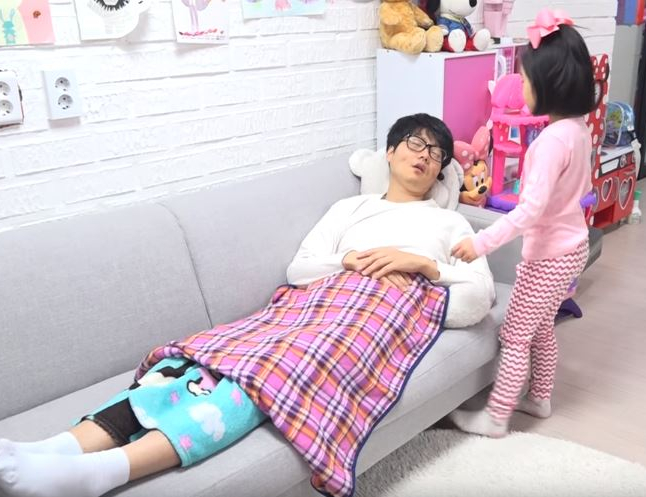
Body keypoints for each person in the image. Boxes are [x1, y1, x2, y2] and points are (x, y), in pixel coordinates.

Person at [0, 114, 494, 497]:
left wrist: (424, 266)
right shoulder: (350, 209)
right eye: (416, 143)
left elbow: (477, 300)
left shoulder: (449, 224)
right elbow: (300, 269)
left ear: (440, 171)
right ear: (389, 152)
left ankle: (102, 473)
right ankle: (56, 449)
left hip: (377, 311)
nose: (426, 156)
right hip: (313, 301)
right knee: (190, 367)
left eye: (437, 153)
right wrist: (346, 261)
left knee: (265, 374)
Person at [449, 9, 596, 437]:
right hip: (573, 246)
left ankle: (497, 417)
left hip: (550, 255)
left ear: (549, 86)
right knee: (542, 327)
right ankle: (540, 397)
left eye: (527, 80)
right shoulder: (577, 129)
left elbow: (529, 211)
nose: (521, 88)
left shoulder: (551, 142)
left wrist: (480, 243)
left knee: (515, 336)